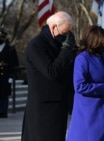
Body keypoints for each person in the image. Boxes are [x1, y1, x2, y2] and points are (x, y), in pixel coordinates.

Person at [21, 11, 77, 141]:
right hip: (42, 109)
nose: (66, 37)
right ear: (53, 27)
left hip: (59, 105)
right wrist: (66, 51)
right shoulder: (37, 46)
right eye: (64, 33)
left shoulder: (57, 44)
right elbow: (51, 72)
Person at [66, 25, 104, 141]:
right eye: (103, 40)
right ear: (94, 40)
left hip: (103, 108)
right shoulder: (82, 58)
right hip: (87, 110)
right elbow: (79, 86)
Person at [0, 28, 19, 118]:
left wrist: (11, 76)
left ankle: (3, 111)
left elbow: (13, 63)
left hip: (5, 75)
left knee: (4, 94)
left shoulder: (10, 49)